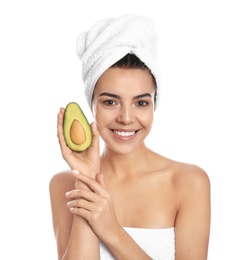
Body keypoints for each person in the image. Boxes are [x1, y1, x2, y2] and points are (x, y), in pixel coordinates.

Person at [49, 14, 210, 260]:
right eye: (110, 102)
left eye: (141, 102)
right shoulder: (65, 185)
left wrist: (111, 230)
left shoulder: (189, 183)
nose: (126, 118)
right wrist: (88, 180)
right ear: (91, 104)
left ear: (154, 104)